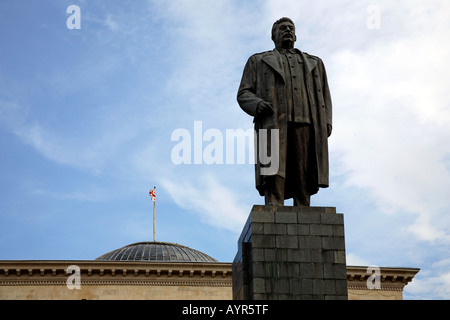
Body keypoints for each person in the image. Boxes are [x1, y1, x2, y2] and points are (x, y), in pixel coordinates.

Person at [237, 17, 332, 206]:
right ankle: (274, 203)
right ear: (274, 36)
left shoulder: (315, 63)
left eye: (291, 28)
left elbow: (326, 96)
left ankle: (303, 205)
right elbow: (244, 93)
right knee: (273, 169)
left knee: (304, 168)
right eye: (282, 28)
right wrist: (257, 104)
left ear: (295, 35)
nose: (287, 30)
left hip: (307, 122)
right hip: (271, 122)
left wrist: (326, 122)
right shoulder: (258, 61)